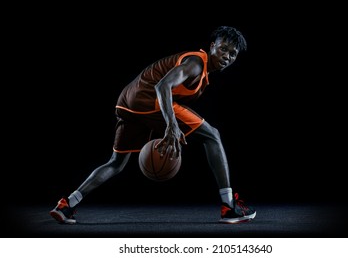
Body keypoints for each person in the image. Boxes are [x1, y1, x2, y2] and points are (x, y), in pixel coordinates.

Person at [49, 25, 256, 224]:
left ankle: (67, 205)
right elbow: (163, 85)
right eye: (223, 49)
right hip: (148, 98)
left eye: (232, 54)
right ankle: (229, 207)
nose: (227, 56)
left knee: (116, 162)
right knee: (212, 136)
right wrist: (172, 125)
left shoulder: (202, 73)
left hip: (127, 102)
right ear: (212, 46)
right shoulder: (196, 63)